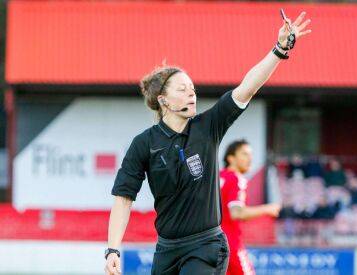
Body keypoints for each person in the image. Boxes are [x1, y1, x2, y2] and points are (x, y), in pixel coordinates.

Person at [105, 11, 311, 275]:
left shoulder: (208, 126)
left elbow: (248, 87)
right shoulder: (143, 144)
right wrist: (113, 249)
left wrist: (280, 48)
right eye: (182, 89)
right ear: (163, 100)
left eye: (192, 88)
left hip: (207, 246)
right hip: (166, 250)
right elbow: (123, 199)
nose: (191, 93)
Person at [220, 140, 281, 275]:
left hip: (208, 243)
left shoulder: (216, 178)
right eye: (244, 154)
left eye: (250, 154)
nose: (250, 158)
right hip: (230, 244)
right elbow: (236, 213)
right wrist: (267, 209)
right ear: (231, 158)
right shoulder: (237, 179)